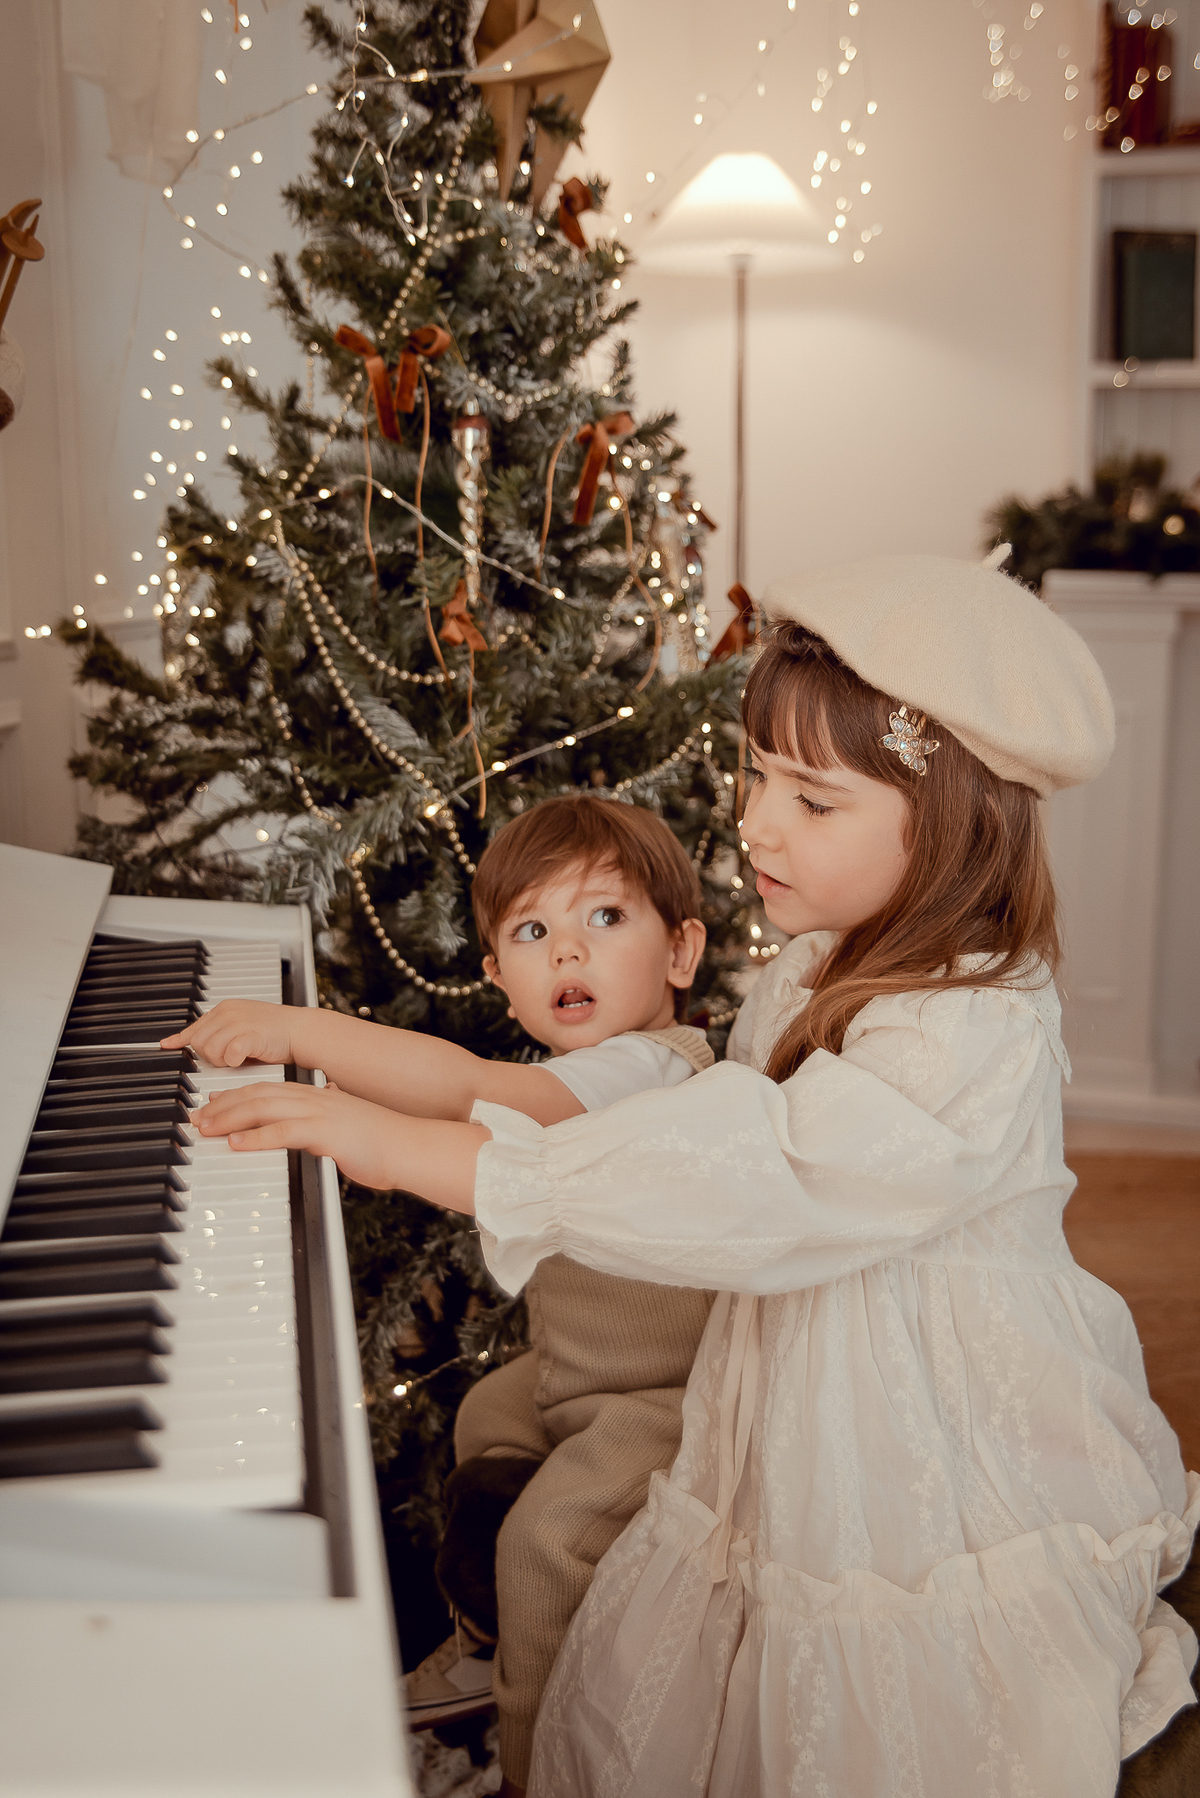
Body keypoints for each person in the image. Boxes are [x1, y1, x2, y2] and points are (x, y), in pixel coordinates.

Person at [193, 553, 1200, 1798]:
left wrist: (384, 1140)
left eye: (812, 800)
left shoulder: (967, 1026)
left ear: (951, 827)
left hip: (909, 1401)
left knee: (871, 1665)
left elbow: (762, 1169)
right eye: (756, 773)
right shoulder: (818, 957)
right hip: (789, 1344)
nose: (756, 822)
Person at [168, 794, 716, 1795]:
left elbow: (465, 1089)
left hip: (669, 1398)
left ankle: (539, 1755)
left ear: (681, 952)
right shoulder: (584, 1073)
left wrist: (303, 1036)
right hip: (586, 1372)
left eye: (605, 918)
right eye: (534, 932)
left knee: (549, 1539)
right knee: (490, 1410)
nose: (569, 955)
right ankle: (482, 1641)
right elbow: (462, 1088)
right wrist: (334, 1085)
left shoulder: (650, 1071)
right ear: (501, 978)